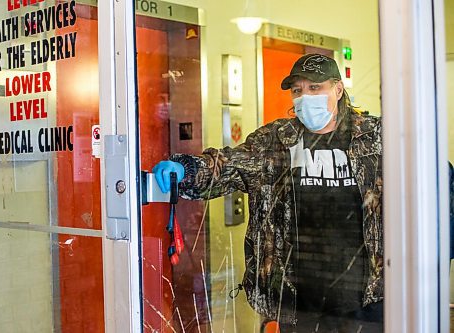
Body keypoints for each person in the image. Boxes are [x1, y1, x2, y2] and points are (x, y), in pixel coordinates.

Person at [153, 53, 383, 332]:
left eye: (315, 87)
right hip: (298, 300)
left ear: (337, 89)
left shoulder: (375, 139)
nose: (304, 97)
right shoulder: (277, 141)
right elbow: (231, 164)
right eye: (298, 90)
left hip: (365, 299)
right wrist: (188, 169)